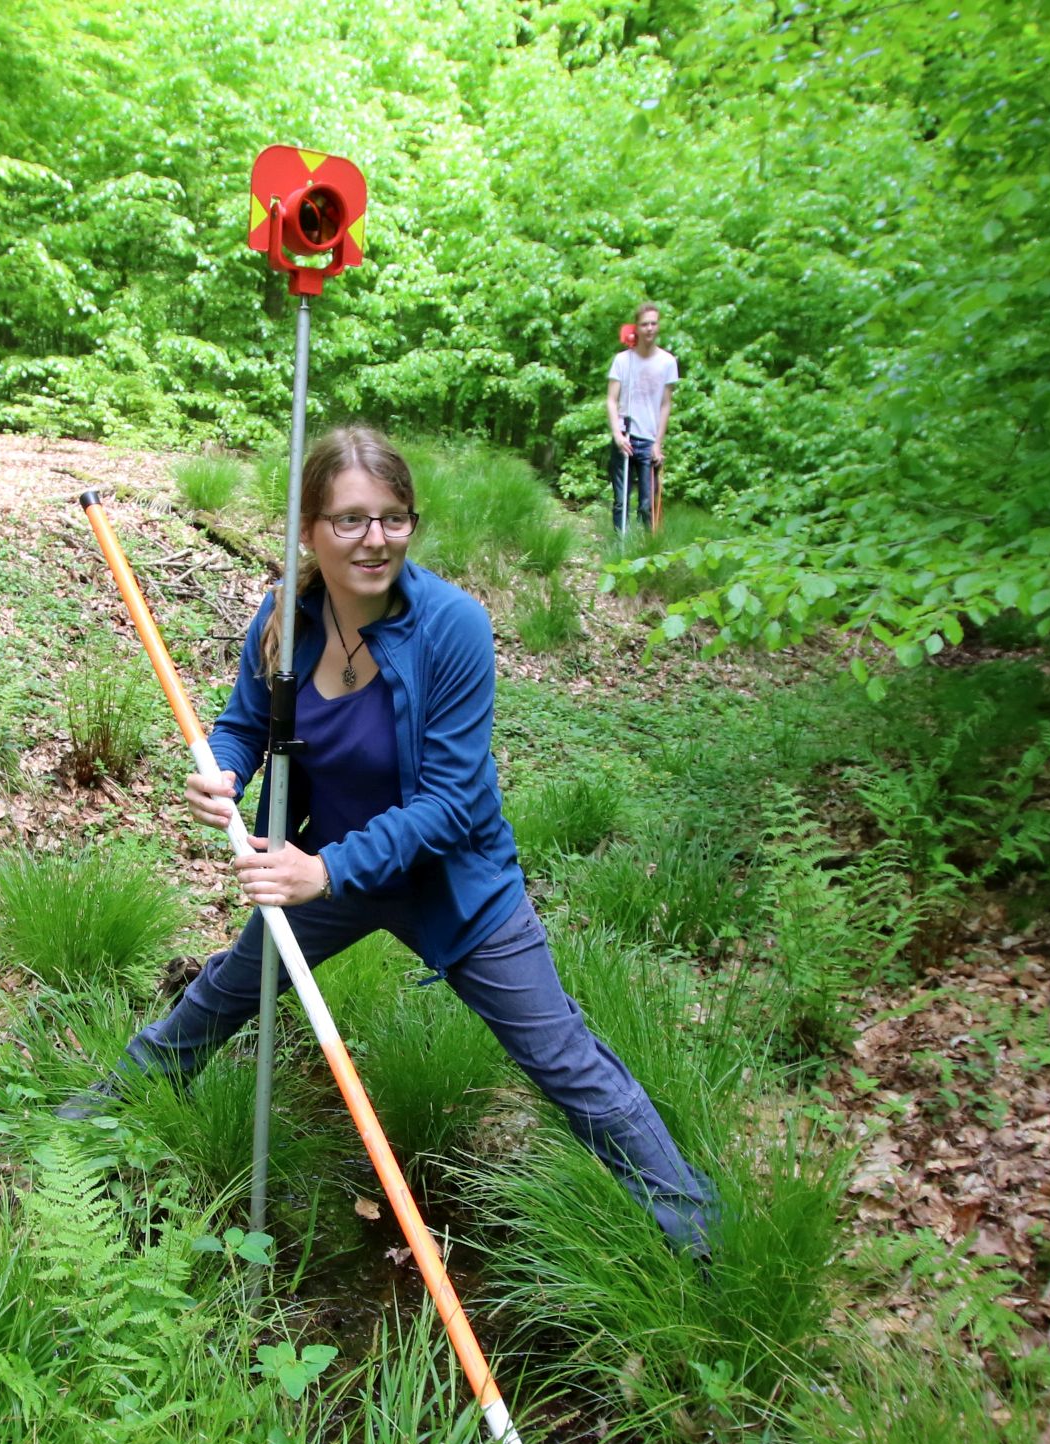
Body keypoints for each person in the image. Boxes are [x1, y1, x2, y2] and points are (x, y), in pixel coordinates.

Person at [69, 425, 718, 1252]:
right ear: (309, 530)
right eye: (349, 520)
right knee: (228, 990)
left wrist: (325, 871)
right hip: (329, 868)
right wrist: (225, 771)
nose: (375, 539)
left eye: (393, 518)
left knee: (561, 1056)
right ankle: (108, 1108)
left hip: (452, 880)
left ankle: (697, 1237)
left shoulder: (454, 626)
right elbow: (244, 725)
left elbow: (452, 802)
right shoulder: (284, 617)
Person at [605, 302, 677, 539]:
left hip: (649, 440)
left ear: (658, 326)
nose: (649, 328)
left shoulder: (667, 362)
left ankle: (648, 553)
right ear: (636, 326)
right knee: (621, 501)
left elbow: (666, 404)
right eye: (644, 324)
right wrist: (617, 435)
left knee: (648, 505)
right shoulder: (623, 361)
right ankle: (618, 550)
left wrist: (658, 443)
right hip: (625, 437)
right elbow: (611, 400)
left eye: (653, 323)